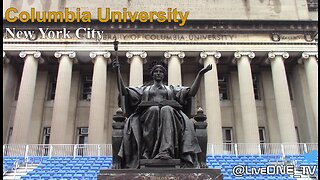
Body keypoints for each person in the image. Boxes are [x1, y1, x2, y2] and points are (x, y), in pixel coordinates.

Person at [112, 60, 212, 169]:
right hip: (148, 116)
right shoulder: (144, 89)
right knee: (154, 109)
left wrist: (200, 74)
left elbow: (191, 92)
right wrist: (117, 72)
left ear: (164, 74)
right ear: (152, 74)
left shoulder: (171, 89)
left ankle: (166, 151)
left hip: (171, 117)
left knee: (167, 109)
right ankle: (148, 152)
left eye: (160, 71)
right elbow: (124, 92)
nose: (158, 73)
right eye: (156, 71)